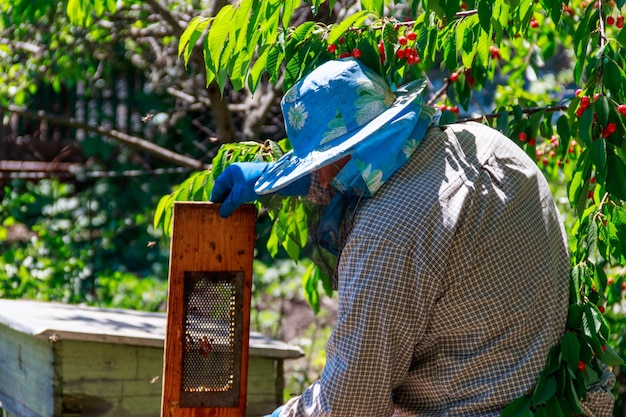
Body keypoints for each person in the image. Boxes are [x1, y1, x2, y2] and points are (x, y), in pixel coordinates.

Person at [210, 58, 615, 416]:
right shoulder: (486, 145)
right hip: (560, 400)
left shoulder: (387, 235)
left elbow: (352, 404)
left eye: (320, 167)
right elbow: (386, 180)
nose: (318, 180)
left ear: (350, 154)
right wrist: (279, 179)